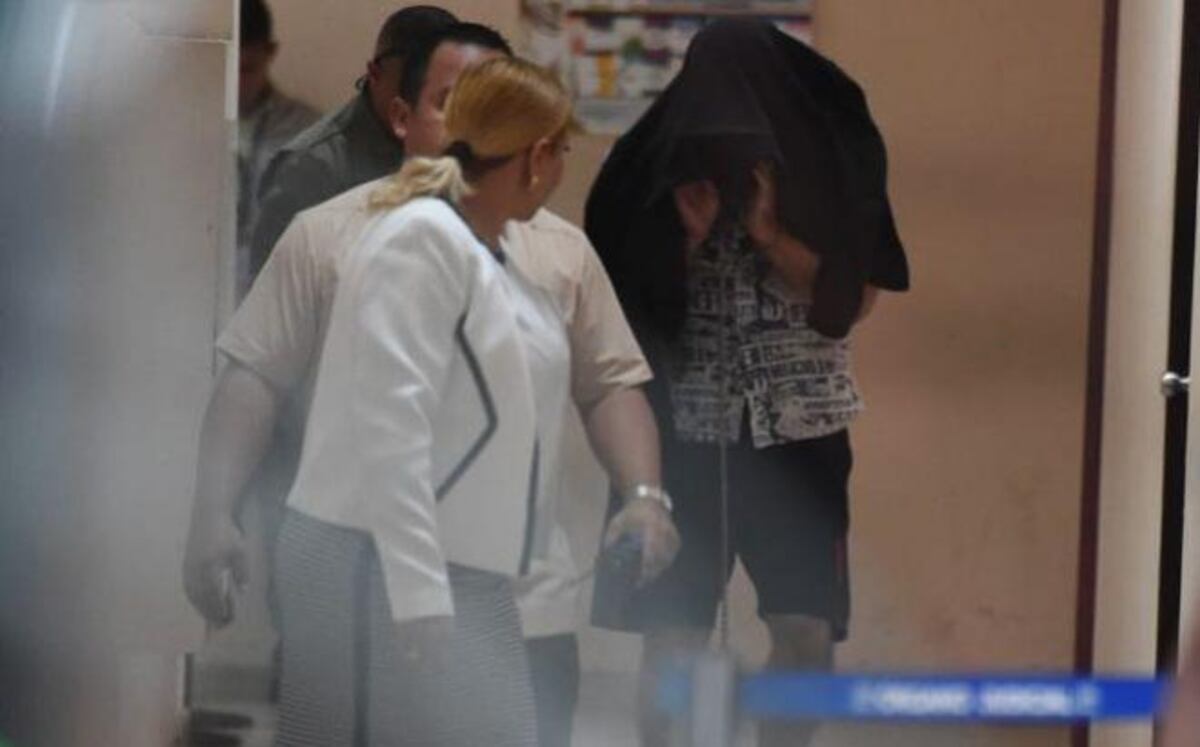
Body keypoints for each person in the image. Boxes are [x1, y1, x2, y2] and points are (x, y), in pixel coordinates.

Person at [183, 22, 677, 747]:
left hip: (504, 582)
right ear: (402, 117)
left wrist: (644, 497)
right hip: (386, 575)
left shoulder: (546, 250)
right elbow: (320, 402)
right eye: (455, 102)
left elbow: (606, 384)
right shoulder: (373, 238)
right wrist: (213, 512)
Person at [584, 19, 911, 747]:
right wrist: (686, 239)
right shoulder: (649, 164)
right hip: (682, 433)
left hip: (800, 432)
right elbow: (617, 305)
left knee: (805, 632)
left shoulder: (826, 160)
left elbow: (854, 301)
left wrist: (772, 236)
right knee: (672, 633)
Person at [246, 5, 456, 282]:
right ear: (374, 74)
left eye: (442, 93)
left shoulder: (467, 147)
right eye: (411, 85)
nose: (424, 104)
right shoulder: (311, 166)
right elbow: (273, 291)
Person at [236, 0, 320, 297]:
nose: (237, 83)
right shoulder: (186, 127)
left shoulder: (306, 133)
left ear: (269, 52)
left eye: (247, 69)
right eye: (229, 69)